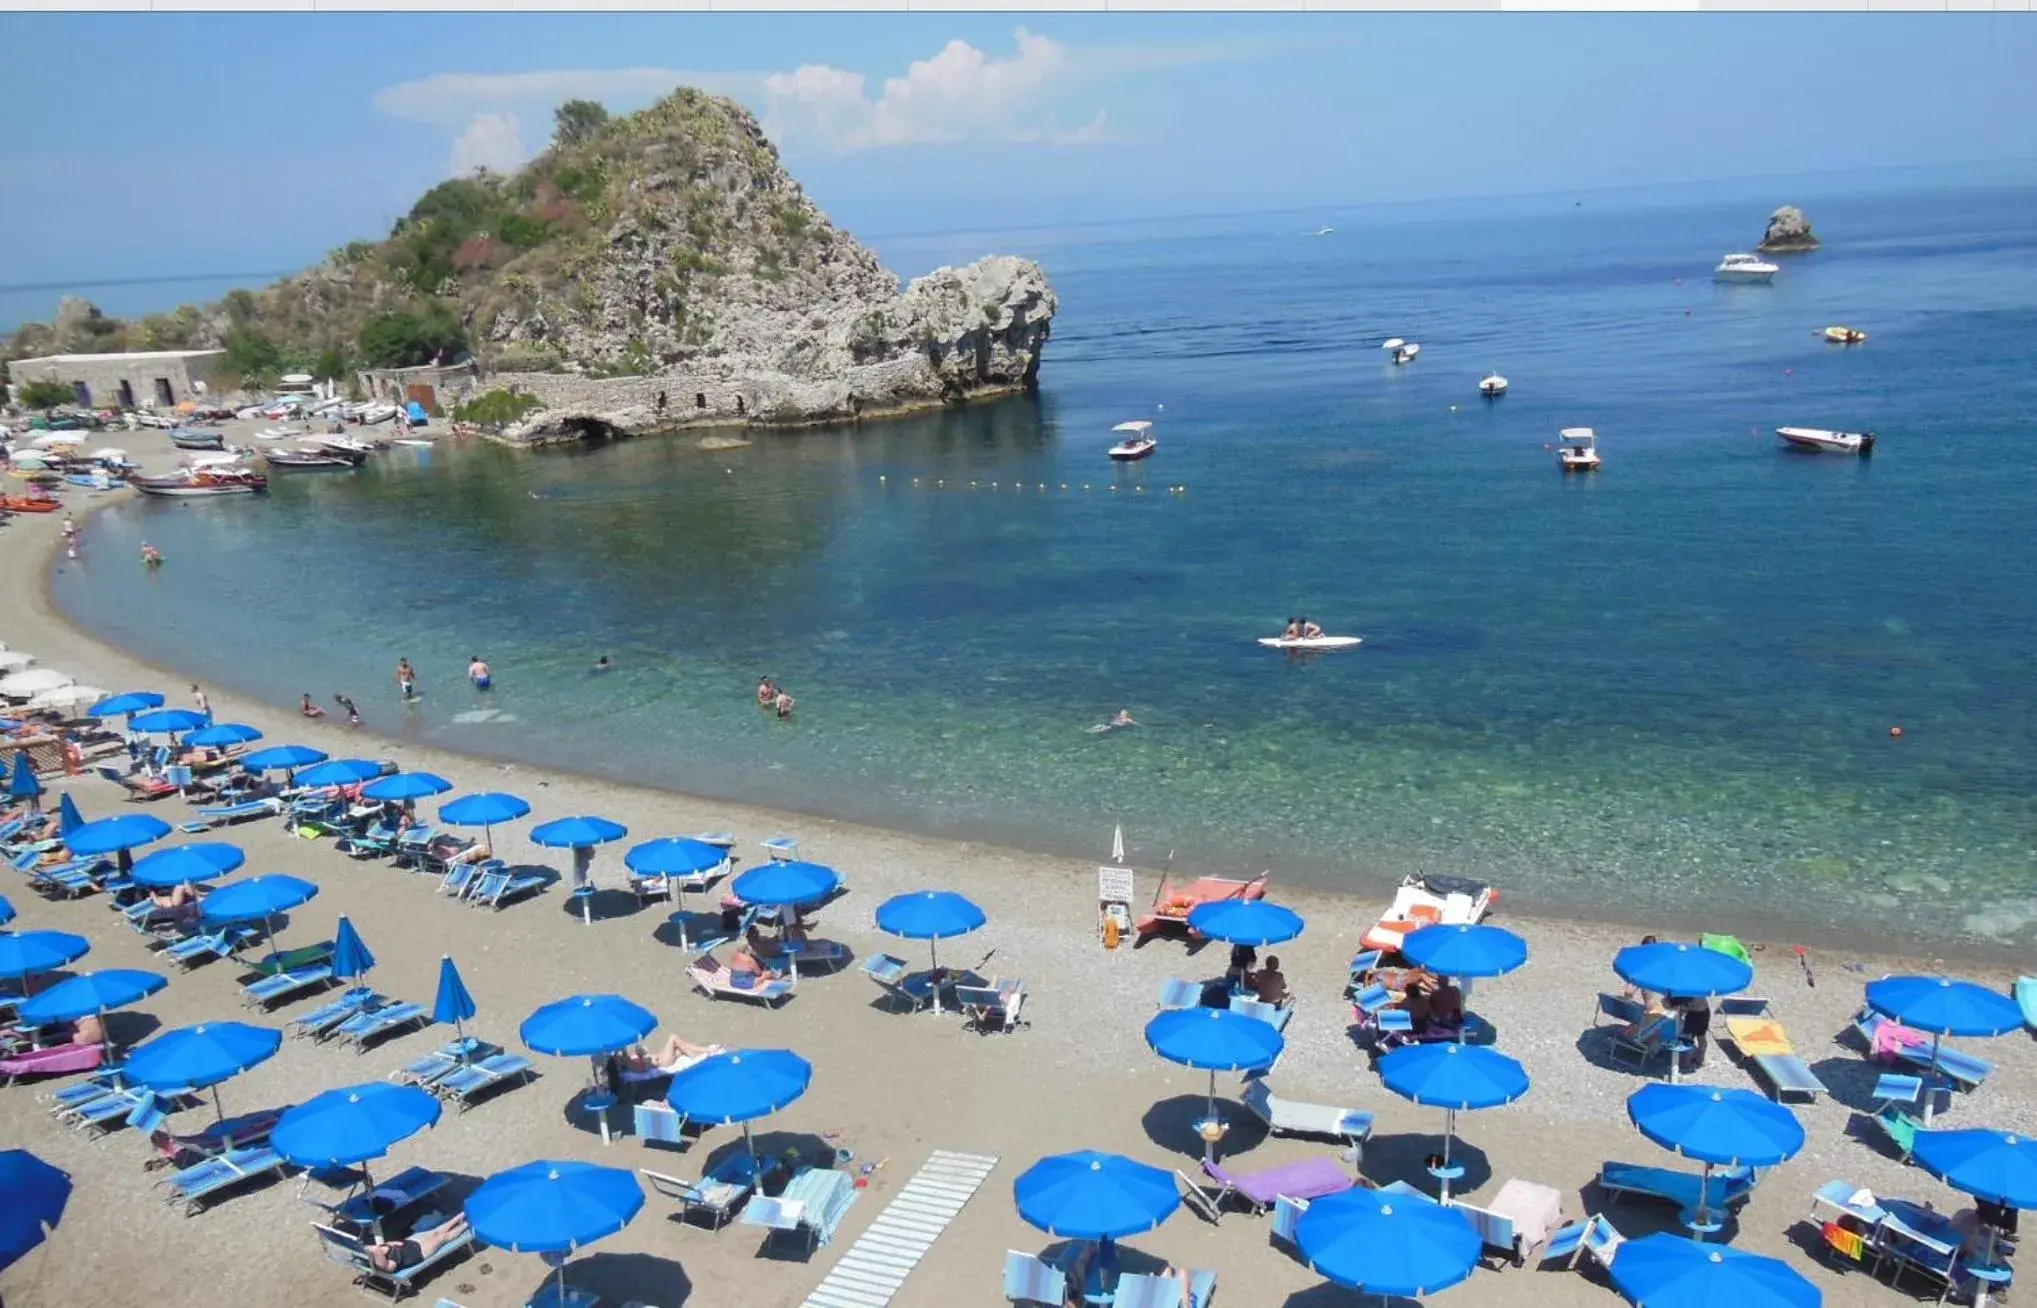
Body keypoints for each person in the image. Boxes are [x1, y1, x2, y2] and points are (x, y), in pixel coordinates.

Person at [363, 1213, 471, 1276]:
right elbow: (385, 1263)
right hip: (419, 1252)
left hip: (411, 1242)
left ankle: (460, 1215)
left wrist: (391, 1244)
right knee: (442, 1237)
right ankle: (466, 1224)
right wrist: (376, 1249)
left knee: (436, 1231)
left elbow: (392, 1244)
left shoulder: (379, 1250)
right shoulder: (386, 1266)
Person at [617, 1033, 723, 1073]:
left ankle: (698, 1054)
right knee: (673, 1038)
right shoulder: (631, 1065)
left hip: (662, 1057)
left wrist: (641, 1053)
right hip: (663, 1061)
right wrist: (652, 1059)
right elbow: (650, 1065)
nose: (622, 1056)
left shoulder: (631, 1060)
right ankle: (705, 1050)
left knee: (681, 1048)